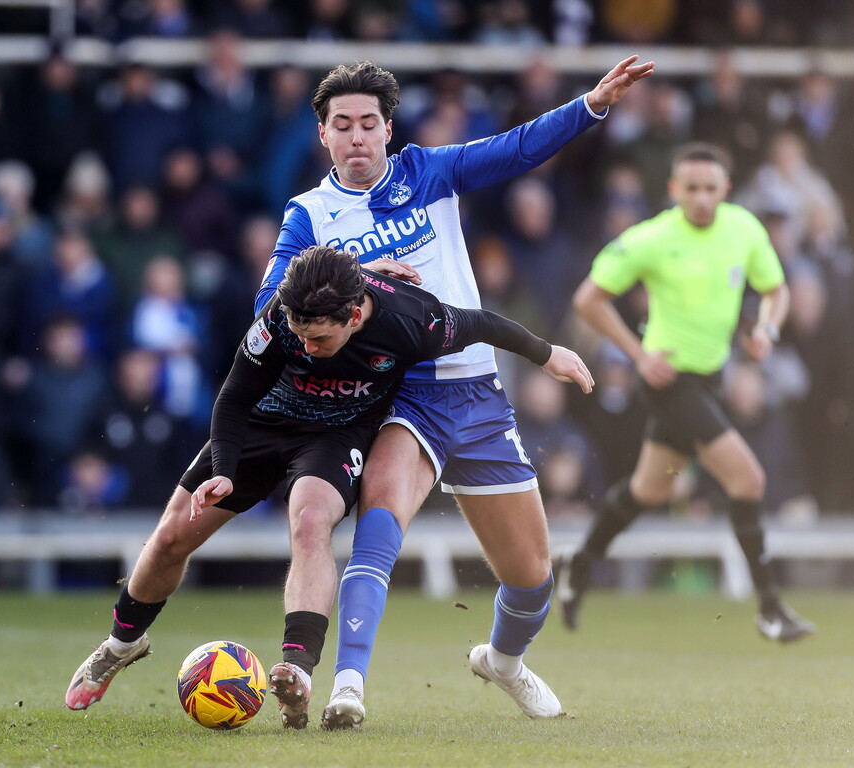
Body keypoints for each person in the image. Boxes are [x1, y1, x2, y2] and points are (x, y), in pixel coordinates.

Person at [255, 55, 654, 729]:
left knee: (532, 580)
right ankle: (347, 686)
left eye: (368, 124)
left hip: (477, 393)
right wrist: (353, 273)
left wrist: (589, 106)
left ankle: (502, 661)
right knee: (380, 523)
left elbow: (516, 149)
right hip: (400, 394)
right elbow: (270, 304)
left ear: (388, 130)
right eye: (342, 125)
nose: (356, 137)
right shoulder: (309, 217)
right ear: (322, 134)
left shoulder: (428, 173)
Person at [64, 245, 594, 726]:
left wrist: (548, 355)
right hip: (262, 424)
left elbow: (485, 324)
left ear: (356, 314)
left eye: (321, 338)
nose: (308, 346)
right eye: (301, 334)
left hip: (337, 433)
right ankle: (120, 644)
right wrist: (224, 467)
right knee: (173, 535)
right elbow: (232, 397)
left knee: (311, 520)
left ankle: (296, 670)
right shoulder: (279, 320)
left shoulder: (414, 320)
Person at [559, 142, 815, 643]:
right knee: (749, 480)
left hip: (709, 381)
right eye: (691, 188)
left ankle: (579, 568)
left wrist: (766, 330)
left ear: (726, 190)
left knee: (648, 490)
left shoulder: (743, 229)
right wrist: (638, 356)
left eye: (710, 188)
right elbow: (588, 300)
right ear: (674, 190)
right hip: (669, 383)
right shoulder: (651, 238)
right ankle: (770, 608)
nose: (700, 197)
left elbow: (776, 291)